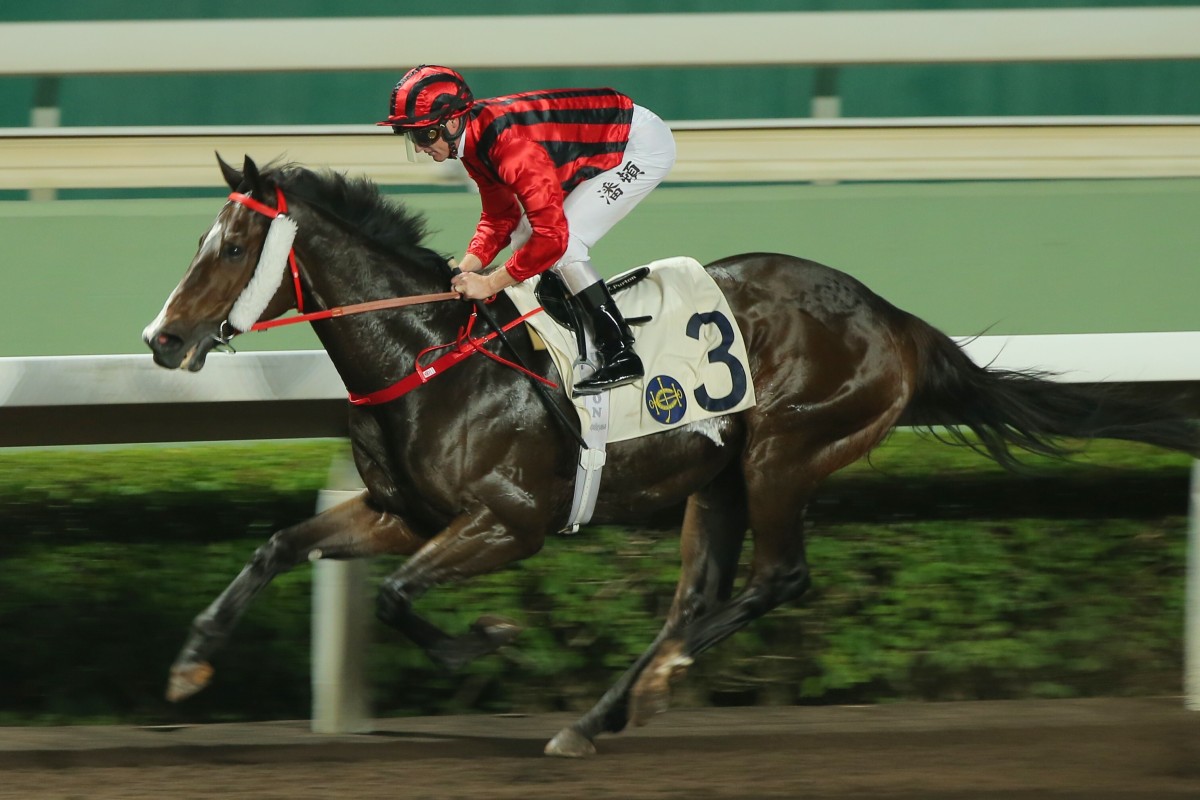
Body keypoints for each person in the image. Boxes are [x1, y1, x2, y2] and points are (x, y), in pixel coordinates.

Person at [378, 65, 677, 395]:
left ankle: (619, 351)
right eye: (413, 137)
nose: (420, 146)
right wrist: (464, 271)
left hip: (639, 147)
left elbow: (553, 239)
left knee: (566, 244)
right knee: (525, 237)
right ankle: (568, 304)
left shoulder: (511, 149)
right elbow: (500, 217)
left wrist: (490, 283)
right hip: (601, 136)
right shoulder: (472, 142)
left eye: (425, 135)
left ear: (451, 123)